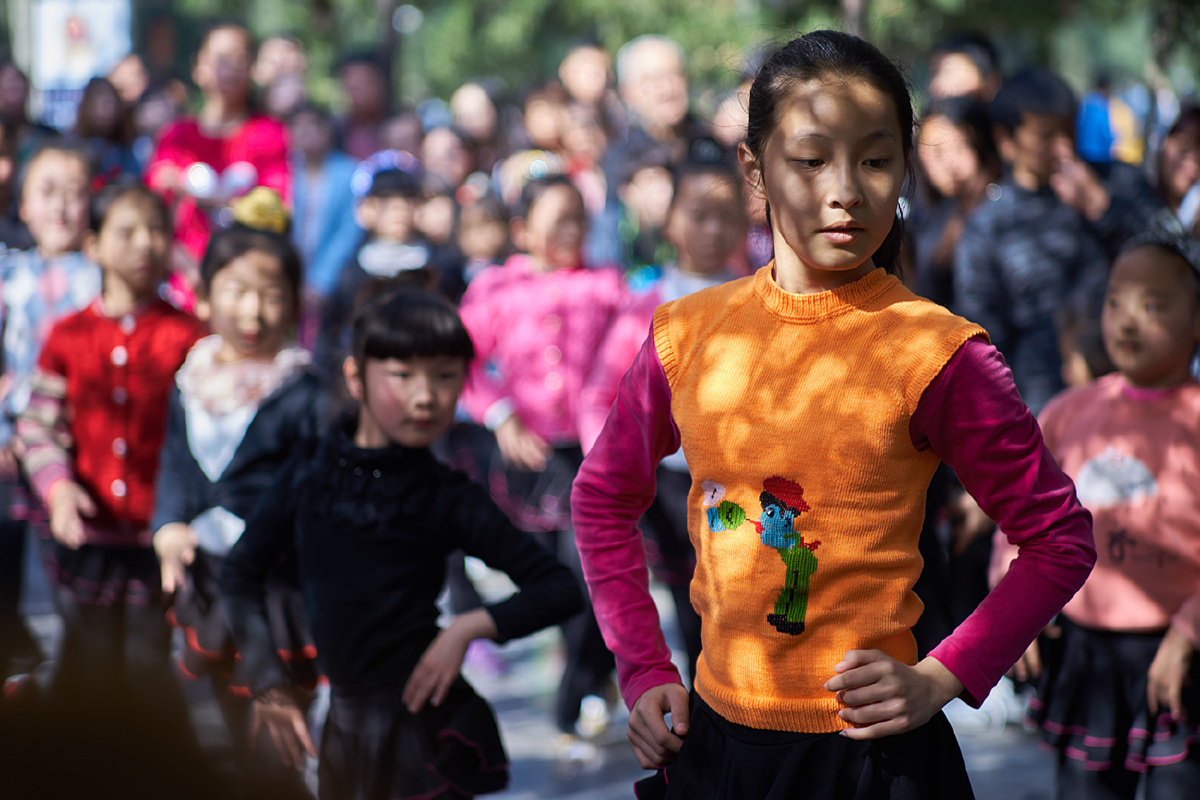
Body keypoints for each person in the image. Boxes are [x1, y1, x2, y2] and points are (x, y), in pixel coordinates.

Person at [571, 30, 1097, 799]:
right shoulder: (686, 334)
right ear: (755, 170)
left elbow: (1057, 537)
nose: (845, 189)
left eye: (876, 160)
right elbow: (601, 496)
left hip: (872, 763)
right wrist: (644, 667)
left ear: (905, 169)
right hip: (715, 750)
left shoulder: (938, 350)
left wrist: (944, 675)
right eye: (811, 160)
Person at [220, 288, 583, 799]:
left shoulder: (444, 495)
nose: (425, 396)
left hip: (423, 728)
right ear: (356, 377)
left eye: (444, 376)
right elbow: (238, 575)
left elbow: (560, 586)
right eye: (403, 375)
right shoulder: (307, 474)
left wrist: (468, 628)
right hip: (345, 731)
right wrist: (268, 681)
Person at [991, 230, 1200, 799]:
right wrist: (1017, 614)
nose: (1128, 320)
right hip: (1085, 651)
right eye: (1115, 301)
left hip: (1176, 654)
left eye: (1153, 305)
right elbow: (1020, 521)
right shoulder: (1067, 413)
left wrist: (1185, 639)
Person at [150, 189, 326, 794]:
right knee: (229, 726)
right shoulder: (191, 379)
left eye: (272, 295)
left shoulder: (304, 393)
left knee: (275, 747)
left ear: (295, 303)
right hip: (211, 580)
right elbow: (175, 461)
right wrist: (168, 524)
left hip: (279, 593)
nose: (254, 312)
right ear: (203, 297)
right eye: (238, 292)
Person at [16, 182, 205, 741]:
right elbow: (38, 424)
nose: (145, 244)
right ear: (93, 245)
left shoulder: (190, 337)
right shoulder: (68, 334)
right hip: (87, 539)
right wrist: (58, 488)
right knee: (87, 663)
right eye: (127, 231)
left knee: (149, 664)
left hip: (158, 541)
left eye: (156, 231)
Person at [457, 175, 626, 747]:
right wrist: (500, 414)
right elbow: (461, 362)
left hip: (595, 451)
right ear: (522, 230)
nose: (571, 231)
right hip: (526, 456)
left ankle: (577, 688)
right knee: (552, 576)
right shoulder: (496, 291)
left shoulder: (606, 285)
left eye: (579, 217)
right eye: (557, 220)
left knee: (592, 572)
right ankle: (586, 677)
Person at [579, 156, 747, 682]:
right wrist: (617, 470)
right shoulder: (645, 306)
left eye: (727, 214)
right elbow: (598, 395)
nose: (715, 229)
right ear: (669, 220)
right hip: (672, 488)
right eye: (699, 215)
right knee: (690, 600)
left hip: (746, 482)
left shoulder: (761, 297)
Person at [954, 66, 1111, 416]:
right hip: (1038, 411)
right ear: (1006, 141)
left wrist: (1104, 210)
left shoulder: (1108, 188)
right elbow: (983, 339)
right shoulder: (987, 227)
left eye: (1069, 132)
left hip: (1120, 398)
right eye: (1046, 136)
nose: (1064, 148)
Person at [0, 143, 100, 684]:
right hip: (16, 444)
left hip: (83, 447)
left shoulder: (104, 277)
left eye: (75, 192)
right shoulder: (8, 275)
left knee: (74, 578)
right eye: (47, 192)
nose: (61, 207)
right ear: (23, 208)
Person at [146, 24, 291, 305]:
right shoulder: (175, 138)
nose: (231, 68)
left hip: (247, 292)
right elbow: (153, 214)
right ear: (198, 66)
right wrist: (189, 270)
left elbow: (277, 208)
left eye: (240, 58)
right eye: (220, 58)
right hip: (181, 290)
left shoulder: (270, 135)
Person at [316, 151, 444, 381]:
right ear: (366, 209)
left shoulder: (440, 266)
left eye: (406, 200)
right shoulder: (352, 272)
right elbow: (331, 336)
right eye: (386, 201)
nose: (398, 210)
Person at [912, 96, 1001, 309]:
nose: (949, 163)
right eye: (936, 153)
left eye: (959, 147)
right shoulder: (929, 211)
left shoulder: (1001, 206)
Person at [289, 104, 361, 345]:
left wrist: (322, 280)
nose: (307, 133)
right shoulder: (283, 170)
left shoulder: (350, 173)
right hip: (289, 275)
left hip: (332, 282)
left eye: (313, 126)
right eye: (299, 127)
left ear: (327, 130)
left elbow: (349, 229)